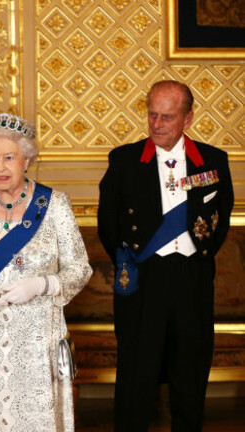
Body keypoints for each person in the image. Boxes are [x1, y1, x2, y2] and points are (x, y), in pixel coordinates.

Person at [0, 113, 92, 431]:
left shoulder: (55, 205)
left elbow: (79, 269)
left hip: (38, 339)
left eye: (9, 158)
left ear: (26, 160)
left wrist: (43, 284)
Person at [98, 80, 234, 431]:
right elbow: (108, 224)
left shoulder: (213, 160)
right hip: (144, 278)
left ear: (188, 119)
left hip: (192, 276)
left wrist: (196, 257)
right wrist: (129, 264)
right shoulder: (125, 160)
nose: (156, 124)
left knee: (190, 370)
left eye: (167, 117)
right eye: (152, 115)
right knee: (136, 374)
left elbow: (221, 219)